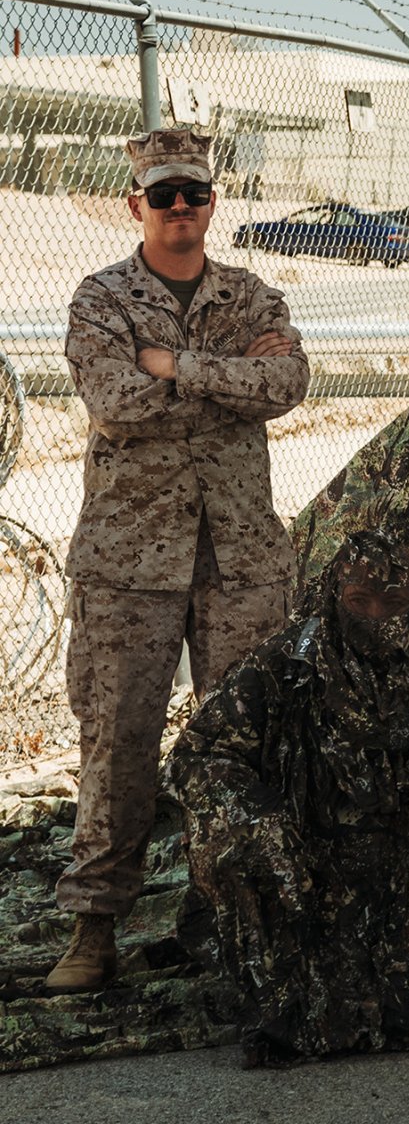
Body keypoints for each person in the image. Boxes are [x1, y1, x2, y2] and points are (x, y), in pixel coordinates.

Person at [47, 128, 309, 994]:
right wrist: (226, 380)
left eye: (193, 193)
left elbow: (288, 385)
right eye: (164, 195)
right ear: (136, 206)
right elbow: (116, 403)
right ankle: (94, 932)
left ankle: (239, 922)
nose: (181, 208)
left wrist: (179, 365)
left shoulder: (251, 292)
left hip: (238, 557)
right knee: (117, 744)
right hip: (130, 561)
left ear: (211, 203)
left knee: (245, 745)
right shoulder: (103, 300)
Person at [164, 530, 409, 1066]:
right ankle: (286, 1001)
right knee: (246, 842)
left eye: (394, 604)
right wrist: (259, 814)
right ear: (334, 597)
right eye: (359, 602)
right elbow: (196, 756)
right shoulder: (289, 664)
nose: (377, 618)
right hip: (312, 854)